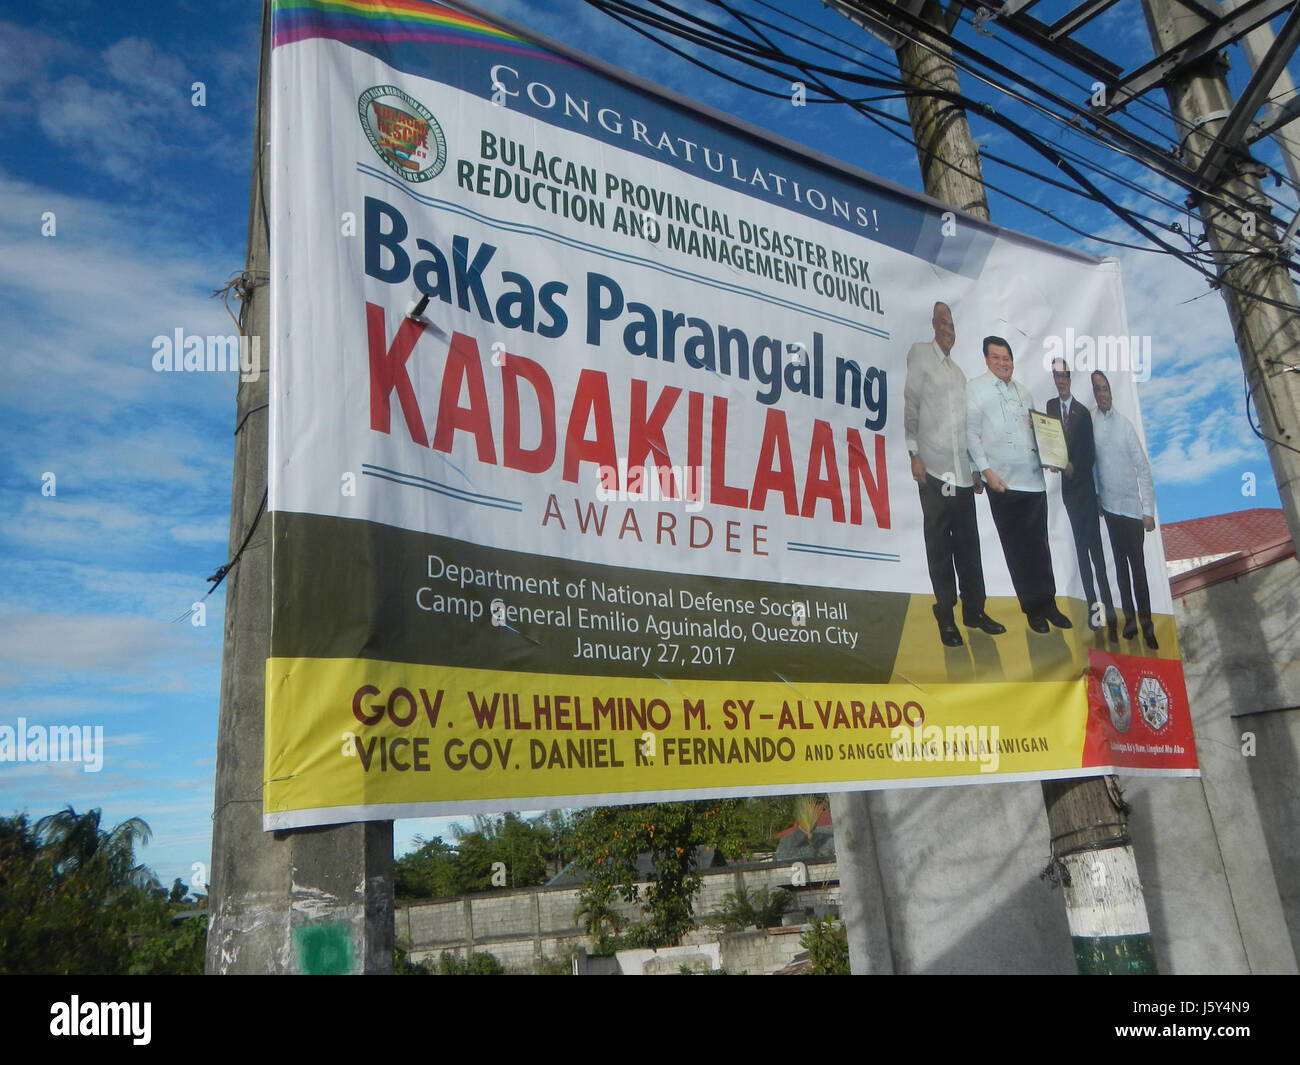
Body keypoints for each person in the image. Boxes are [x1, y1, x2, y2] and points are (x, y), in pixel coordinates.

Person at [904, 302, 1004, 647]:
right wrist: (913, 452)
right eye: (944, 323)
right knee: (940, 547)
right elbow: (911, 402)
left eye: (953, 325)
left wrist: (975, 469)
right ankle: (945, 615)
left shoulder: (960, 375)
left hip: (961, 474)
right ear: (933, 324)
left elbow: (966, 426)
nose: (949, 330)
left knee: (968, 547)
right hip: (933, 470)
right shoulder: (919, 354)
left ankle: (974, 611)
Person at [967, 336, 1072, 634]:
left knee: (1040, 546)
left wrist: (1050, 456)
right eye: (997, 357)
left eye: (1007, 358)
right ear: (987, 360)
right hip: (1003, 481)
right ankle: (1032, 610)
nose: (1003, 363)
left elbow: (1039, 433)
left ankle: (1049, 604)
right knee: (1017, 549)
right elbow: (971, 434)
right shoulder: (975, 388)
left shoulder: (1025, 393)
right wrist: (984, 471)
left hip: (1033, 480)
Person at [1046, 358, 1118, 642]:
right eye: (1056, 376)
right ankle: (1094, 612)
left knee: (1097, 554)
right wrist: (1050, 460)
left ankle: (1110, 614)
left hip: (1086, 491)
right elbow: (1050, 442)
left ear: (1070, 378)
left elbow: (1090, 454)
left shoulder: (1082, 413)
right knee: (1081, 555)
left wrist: (1074, 465)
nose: (1060, 380)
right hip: (1069, 494)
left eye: (1064, 375)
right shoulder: (1051, 407)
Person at [1090, 371, 1158, 650]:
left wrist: (1148, 510)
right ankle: (1129, 623)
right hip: (1110, 508)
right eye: (1097, 390)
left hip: (1132, 510)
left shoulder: (1125, 426)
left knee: (1138, 570)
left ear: (1111, 392)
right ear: (1094, 393)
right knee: (1120, 569)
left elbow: (1143, 468)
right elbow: (1092, 464)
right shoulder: (1090, 423)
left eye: (1105, 388)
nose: (1102, 394)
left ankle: (1148, 626)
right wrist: (1097, 496)